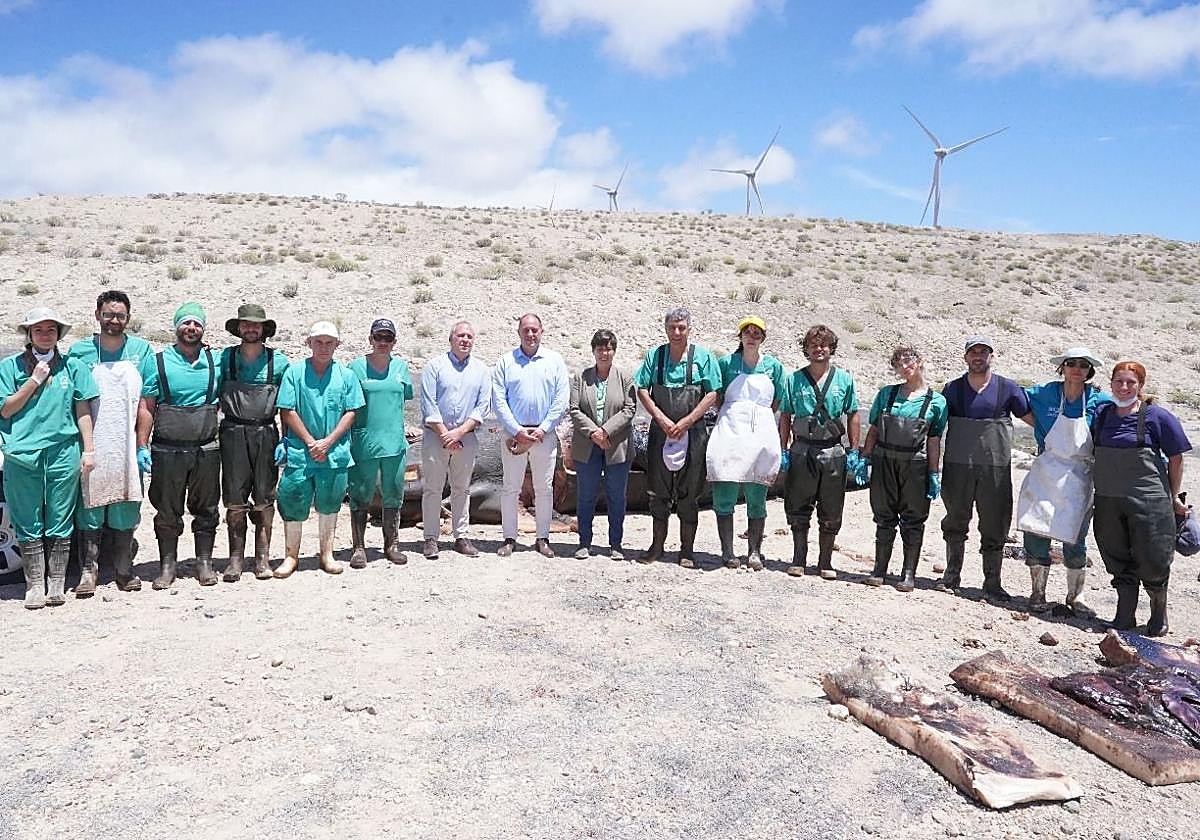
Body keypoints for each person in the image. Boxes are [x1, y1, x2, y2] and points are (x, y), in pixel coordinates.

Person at [0, 308, 98, 609]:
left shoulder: (73, 367)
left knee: (59, 516)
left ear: (58, 334)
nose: (45, 334)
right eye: (38, 329)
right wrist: (32, 381)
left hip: (63, 451)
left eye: (51, 329)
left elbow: (82, 410)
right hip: (22, 453)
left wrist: (89, 449)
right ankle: (34, 585)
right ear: (28, 334)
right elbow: (6, 410)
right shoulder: (9, 367)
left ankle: (56, 584)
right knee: (27, 517)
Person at [1091, 361, 1191, 636]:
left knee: (1153, 557)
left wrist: (1174, 497)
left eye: (1131, 383)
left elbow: (1176, 457)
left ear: (1141, 386)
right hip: (1109, 499)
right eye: (1119, 381)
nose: (1124, 387)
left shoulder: (1157, 416)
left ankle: (1159, 614)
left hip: (1149, 499)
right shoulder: (1101, 415)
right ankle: (1124, 616)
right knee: (1116, 555)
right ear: (1111, 384)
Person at [68, 291, 153, 594]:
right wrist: (84, 445)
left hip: (127, 444)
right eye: (108, 314)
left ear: (128, 318)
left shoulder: (141, 351)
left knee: (125, 507)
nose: (114, 320)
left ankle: (124, 570)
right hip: (91, 442)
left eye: (120, 315)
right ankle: (88, 574)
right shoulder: (79, 352)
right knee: (89, 507)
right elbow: (74, 400)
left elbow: (146, 403)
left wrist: (142, 446)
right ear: (97, 315)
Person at [1015, 348, 1111, 614]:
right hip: (1046, 468)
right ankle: (1037, 592)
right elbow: (1014, 397)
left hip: (1078, 474)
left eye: (1083, 365)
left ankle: (1075, 595)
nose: (1077, 369)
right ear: (1063, 367)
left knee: (1075, 535)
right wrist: (1035, 424)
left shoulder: (1099, 400)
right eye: (1072, 364)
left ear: (1089, 371)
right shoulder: (1045, 393)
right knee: (1035, 528)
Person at [137, 302, 224, 590]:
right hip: (167, 449)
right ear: (176, 327)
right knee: (166, 509)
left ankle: (204, 563)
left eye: (197, 324)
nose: (191, 328)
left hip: (206, 447)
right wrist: (142, 445)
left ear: (203, 329)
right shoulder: (158, 361)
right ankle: (167, 565)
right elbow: (147, 405)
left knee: (207, 508)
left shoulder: (217, 360)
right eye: (186, 323)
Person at [937, 336, 1032, 600]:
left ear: (992, 356)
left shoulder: (1008, 388)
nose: (978, 356)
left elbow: (1032, 419)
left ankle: (992, 582)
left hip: (995, 468)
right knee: (955, 519)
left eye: (984, 352)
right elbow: (935, 424)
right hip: (958, 465)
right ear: (965, 357)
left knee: (995, 522)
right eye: (973, 352)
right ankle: (952, 575)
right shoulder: (952, 389)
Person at [273, 321, 365, 578]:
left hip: (334, 454)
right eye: (318, 342)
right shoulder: (295, 373)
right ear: (309, 343)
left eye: (329, 342)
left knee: (331, 502)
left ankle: (327, 554)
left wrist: (328, 442)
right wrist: (311, 442)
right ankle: (291, 556)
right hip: (301, 453)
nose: (324, 347)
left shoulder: (346, 376)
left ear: (337, 345)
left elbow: (351, 412)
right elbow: (287, 410)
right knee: (291, 500)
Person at [635, 307, 721, 568]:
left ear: (689, 329)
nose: (676, 332)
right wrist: (660, 419)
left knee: (689, 491)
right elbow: (641, 388)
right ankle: (656, 547)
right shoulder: (655, 356)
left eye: (681, 327)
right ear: (665, 328)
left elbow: (712, 393)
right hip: (661, 433)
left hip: (693, 433)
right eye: (672, 327)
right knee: (658, 491)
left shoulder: (703, 357)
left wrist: (687, 421)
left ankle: (687, 550)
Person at [861, 345, 948, 592]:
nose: (905, 367)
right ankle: (879, 570)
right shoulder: (886, 395)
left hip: (916, 465)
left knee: (913, 520)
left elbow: (934, 439)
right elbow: (875, 429)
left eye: (909, 361)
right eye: (898, 364)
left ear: (920, 361)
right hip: (884, 461)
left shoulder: (937, 401)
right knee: (884, 517)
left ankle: (908, 574)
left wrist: (934, 472)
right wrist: (865, 457)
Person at [777, 324, 860, 579]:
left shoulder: (844, 379)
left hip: (833, 451)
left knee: (831, 508)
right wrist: (783, 449)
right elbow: (786, 415)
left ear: (831, 348)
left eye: (824, 345)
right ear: (807, 350)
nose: (819, 349)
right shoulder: (794, 379)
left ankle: (825, 562)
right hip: (803, 448)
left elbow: (853, 413)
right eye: (813, 345)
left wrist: (855, 450)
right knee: (798, 506)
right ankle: (798, 559)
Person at [708, 316, 786, 570]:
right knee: (725, 490)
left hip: (760, 432)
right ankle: (727, 551)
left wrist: (758, 416)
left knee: (757, 493)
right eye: (747, 332)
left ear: (763, 338)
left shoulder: (774, 367)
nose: (752, 337)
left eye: (757, 333)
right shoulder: (726, 364)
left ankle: (754, 551)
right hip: (729, 430)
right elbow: (717, 396)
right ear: (740, 336)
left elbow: (777, 402)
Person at [218, 303, 288, 582]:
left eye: (255, 325)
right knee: (234, 497)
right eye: (245, 324)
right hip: (233, 433)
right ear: (239, 328)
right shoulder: (225, 358)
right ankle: (235, 559)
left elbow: (287, 406)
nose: (250, 328)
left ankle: (262, 558)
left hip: (266, 434)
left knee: (264, 496)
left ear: (263, 329)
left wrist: (286, 440)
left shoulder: (279, 362)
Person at [491, 313, 569, 558]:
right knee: (510, 487)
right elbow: (498, 399)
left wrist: (544, 428)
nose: (530, 334)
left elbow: (561, 398)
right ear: (519, 333)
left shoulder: (554, 361)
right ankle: (509, 538)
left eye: (535, 329)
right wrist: (517, 430)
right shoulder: (506, 362)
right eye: (526, 330)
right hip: (515, 434)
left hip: (544, 434)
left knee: (544, 488)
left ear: (542, 331)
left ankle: (542, 538)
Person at [420, 320, 490, 559]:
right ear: (450, 339)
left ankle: (461, 536)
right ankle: (430, 538)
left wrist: (458, 433)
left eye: (469, 336)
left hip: (466, 439)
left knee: (462, 488)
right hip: (434, 437)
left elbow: (482, 408)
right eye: (460, 335)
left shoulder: (481, 370)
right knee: (432, 488)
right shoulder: (434, 367)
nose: (465, 340)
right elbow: (429, 404)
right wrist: (445, 435)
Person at [347, 318, 413, 568]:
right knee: (360, 493)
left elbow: (402, 401)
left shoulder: (401, 368)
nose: (383, 342)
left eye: (388, 338)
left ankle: (391, 544)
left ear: (394, 342)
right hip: (364, 442)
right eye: (378, 337)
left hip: (394, 444)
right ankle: (359, 547)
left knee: (394, 493)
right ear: (370, 339)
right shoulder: (355, 368)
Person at [569, 329, 636, 560]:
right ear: (593, 351)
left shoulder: (625, 377)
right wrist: (594, 433)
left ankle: (615, 544)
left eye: (608, 348)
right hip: (587, 446)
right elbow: (574, 409)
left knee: (616, 496)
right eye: (600, 348)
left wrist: (607, 431)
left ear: (614, 351)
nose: (604, 353)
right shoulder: (581, 378)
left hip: (616, 446)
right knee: (585, 495)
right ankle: (584, 542)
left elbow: (629, 409)